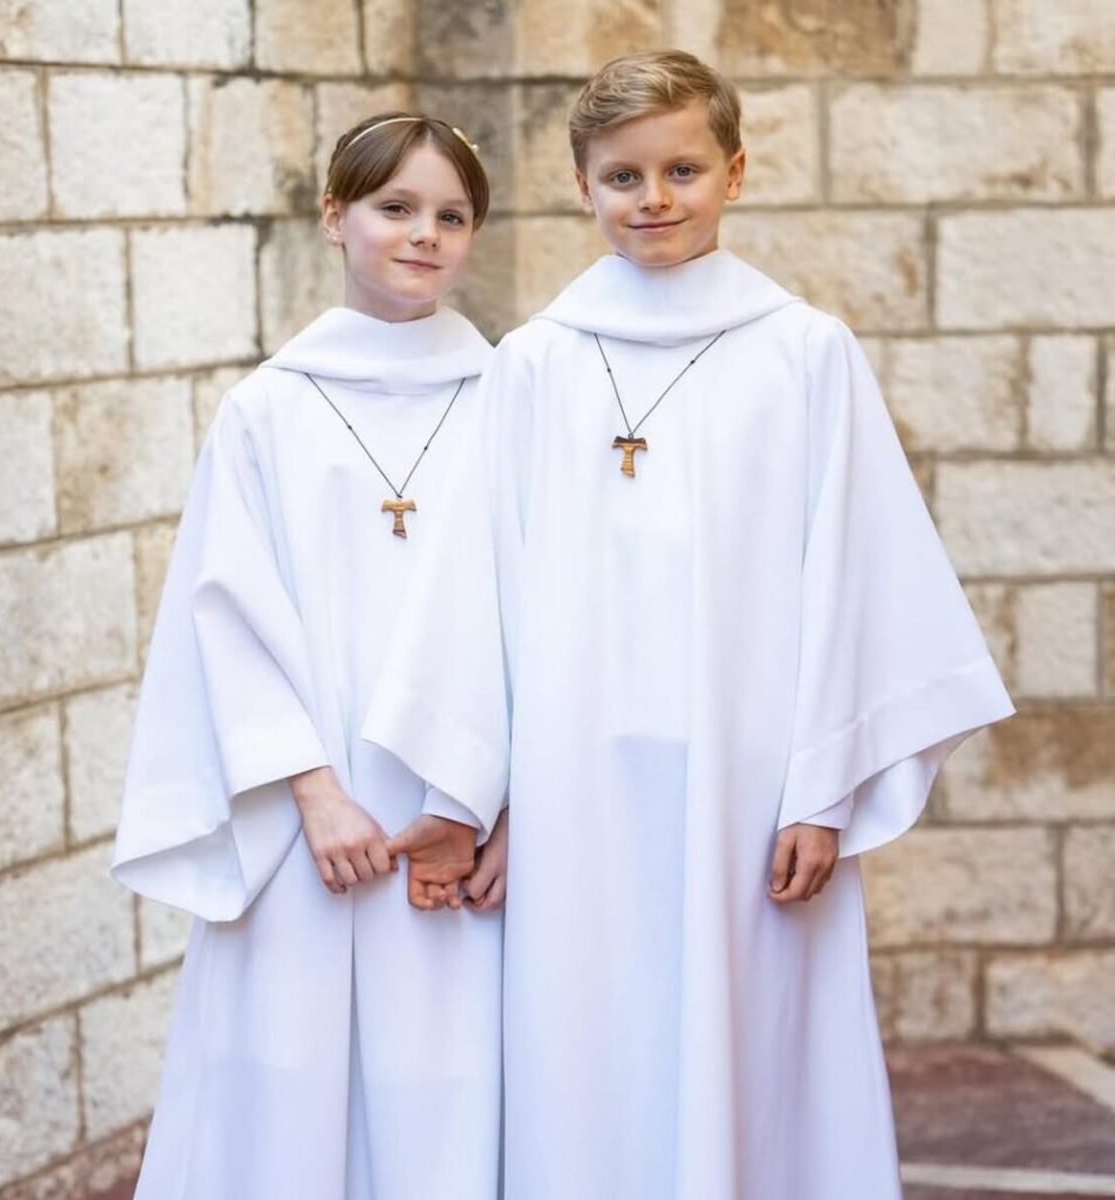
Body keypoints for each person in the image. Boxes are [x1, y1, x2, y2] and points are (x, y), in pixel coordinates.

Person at [362, 52, 1015, 1199]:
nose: (653, 197)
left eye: (681, 169)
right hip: (576, 801)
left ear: (735, 173)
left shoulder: (804, 354)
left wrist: (826, 788)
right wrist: (478, 795)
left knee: (749, 1059)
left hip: (750, 788)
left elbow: (862, 577)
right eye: (623, 176)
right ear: (581, 185)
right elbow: (479, 590)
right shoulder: (535, 366)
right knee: (591, 1060)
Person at [112, 112, 507, 1200]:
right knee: (289, 1092)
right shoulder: (267, 412)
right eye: (395, 208)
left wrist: (498, 806)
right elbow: (225, 612)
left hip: (457, 821)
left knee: (455, 1087)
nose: (423, 234)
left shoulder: (514, 403)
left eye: (451, 215)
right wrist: (315, 794)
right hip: (315, 826)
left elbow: (549, 614)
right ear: (335, 217)